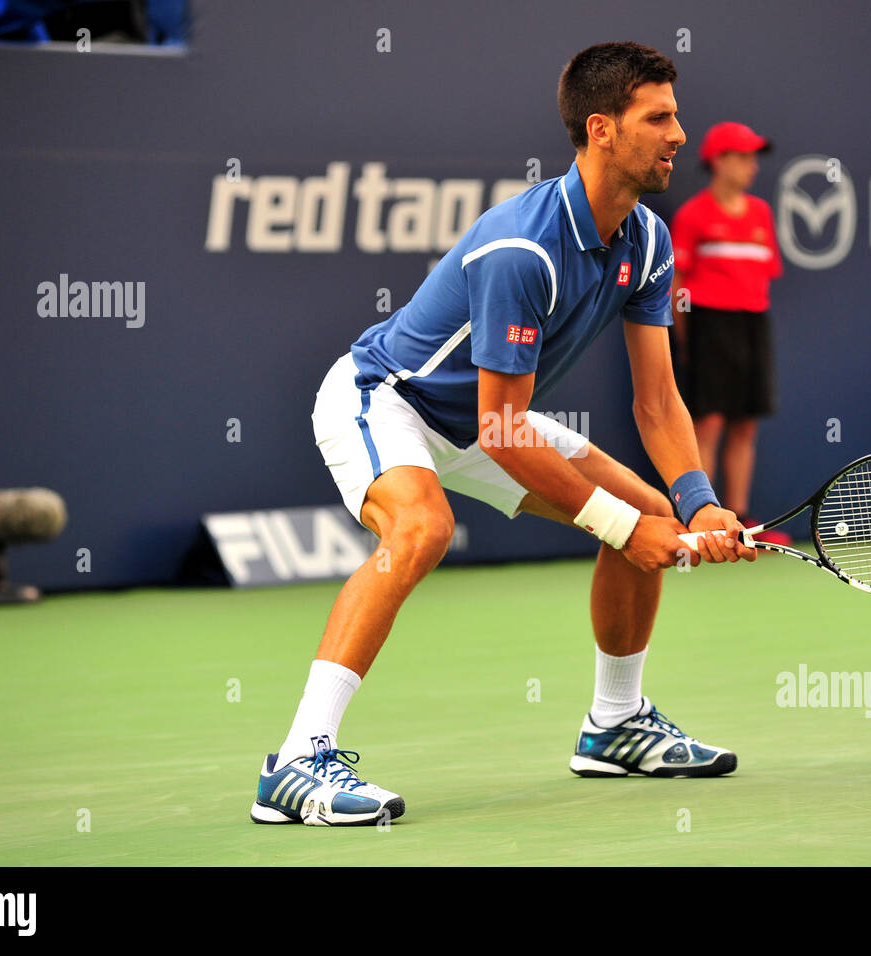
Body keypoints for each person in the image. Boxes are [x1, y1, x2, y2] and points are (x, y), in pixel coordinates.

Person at [250, 41, 756, 829]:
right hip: (388, 399)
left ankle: (615, 724)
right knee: (422, 527)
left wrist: (695, 506)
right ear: (602, 130)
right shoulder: (523, 248)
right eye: (658, 118)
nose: (679, 135)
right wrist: (628, 528)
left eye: (676, 116)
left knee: (645, 504)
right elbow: (501, 427)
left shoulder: (649, 242)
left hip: (488, 420)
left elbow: (658, 402)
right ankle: (295, 761)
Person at [668, 122, 790, 544]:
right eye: (742, 156)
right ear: (718, 162)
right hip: (708, 326)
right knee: (709, 425)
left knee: (745, 426)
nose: (752, 166)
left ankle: (742, 525)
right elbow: (677, 284)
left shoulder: (761, 214)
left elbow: (764, 276)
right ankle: (701, 524)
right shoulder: (693, 215)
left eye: (754, 157)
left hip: (753, 323)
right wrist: (687, 338)